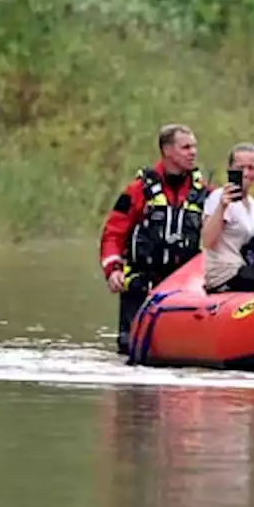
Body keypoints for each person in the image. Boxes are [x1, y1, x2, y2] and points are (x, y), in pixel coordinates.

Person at [99, 123, 208, 355]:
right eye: (186, 147)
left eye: (194, 147)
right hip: (143, 284)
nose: (193, 152)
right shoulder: (138, 190)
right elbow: (113, 233)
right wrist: (113, 269)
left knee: (183, 351)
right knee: (132, 349)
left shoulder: (204, 192)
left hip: (184, 286)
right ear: (167, 151)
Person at [201, 142, 254, 293]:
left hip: (243, 268)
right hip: (224, 274)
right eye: (240, 168)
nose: (245, 173)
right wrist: (222, 207)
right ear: (230, 170)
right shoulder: (218, 197)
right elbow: (207, 240)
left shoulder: (252, 204)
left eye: (251, 168)